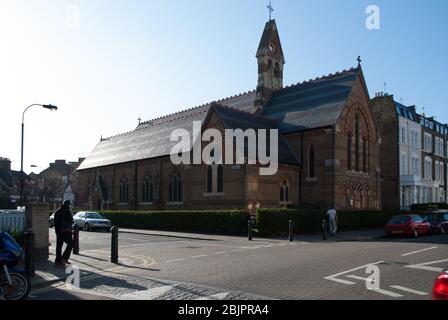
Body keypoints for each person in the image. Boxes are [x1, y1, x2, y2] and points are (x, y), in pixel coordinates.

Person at [54, 200, 74, 267]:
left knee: (59, 246)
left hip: (58, 231)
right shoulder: (67, 211)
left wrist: (57, 231)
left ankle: (58, 260)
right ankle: (64, 258)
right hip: (66, 231)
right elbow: (70, 221)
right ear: (68, 205)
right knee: (71, 244)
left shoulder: (57, 211)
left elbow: (56, 223)